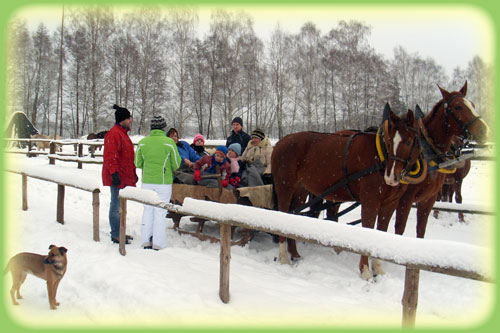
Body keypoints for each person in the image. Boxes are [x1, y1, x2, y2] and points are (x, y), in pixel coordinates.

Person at [135, 116, 181, 250]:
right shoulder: (169, 143)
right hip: (163, 182)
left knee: (148, 210)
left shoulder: (143, 142)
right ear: (163, 127)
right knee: (160, 212)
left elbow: (137, 163)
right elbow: (176, 164)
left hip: (147, 181)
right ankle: (158, 243)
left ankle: (145, 240)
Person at [102, 104, 137, 244]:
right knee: (116, 205)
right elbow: (110, 156)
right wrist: (114, 173)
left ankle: (120, 231)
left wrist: (132, 174)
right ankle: (116, 233)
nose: (131, 121)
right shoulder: (114, 134)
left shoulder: (122, 134)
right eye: (129, 118)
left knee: (121, 206)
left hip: (124, 175)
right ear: (123, 119)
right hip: (117, 176)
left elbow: (127, 158)